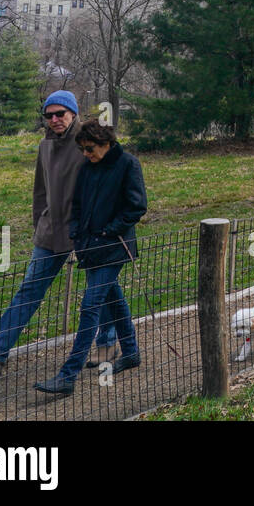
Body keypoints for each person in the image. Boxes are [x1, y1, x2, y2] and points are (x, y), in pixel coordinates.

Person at [0, 91, 119, 378]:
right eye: (48, 115)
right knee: (29, 290)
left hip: (89, 229)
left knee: (100, 288)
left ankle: (108, 344)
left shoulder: (89, 140)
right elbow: (40, 192)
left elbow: (112, 180)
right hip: (51, 231)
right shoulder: (45, 147)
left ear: (73, 113)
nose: (54, 119)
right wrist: (39, 223)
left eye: (60, 113)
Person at [34, 120, 146, 395]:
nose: (86, 154)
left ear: (106, 143)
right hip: (88, 247)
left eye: (90, 148)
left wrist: (110, 230)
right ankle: (130, 352)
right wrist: (76, 233)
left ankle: (67, 375)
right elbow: (78, 204)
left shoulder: (128, 164)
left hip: (114, 246)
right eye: (83, 149)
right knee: (114, 299)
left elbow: (137, 206)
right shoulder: (87, 167)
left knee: (90, 306)